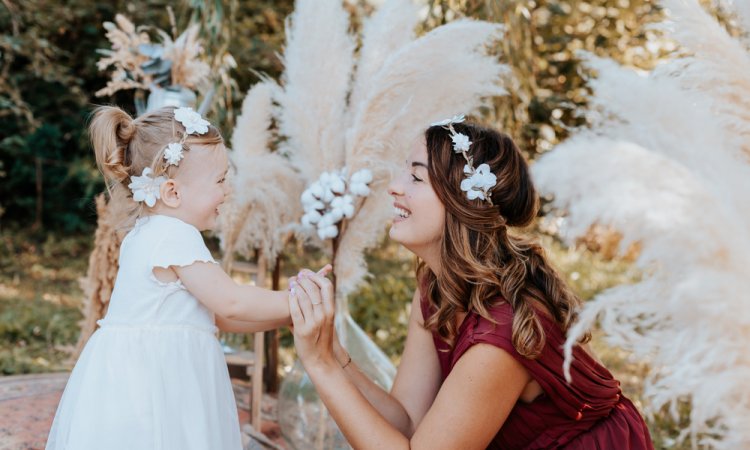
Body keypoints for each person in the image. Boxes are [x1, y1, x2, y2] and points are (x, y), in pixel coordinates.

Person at [288, 116, 654, 449]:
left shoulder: (503, 332)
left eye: (416, 177)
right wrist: (333, 353)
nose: (394, 188)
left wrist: (320, 366)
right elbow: (408, 421)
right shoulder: (436, 285)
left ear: (462, 204)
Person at [46, 105, 328, 450]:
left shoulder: (148, 232)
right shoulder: (175, 237)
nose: (227, 191)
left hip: (139, 381)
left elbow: (219, 316)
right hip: (158, 386)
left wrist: (286, 316)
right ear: (172, 192)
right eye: (221, 180)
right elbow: (232, 301)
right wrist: (297, 299)